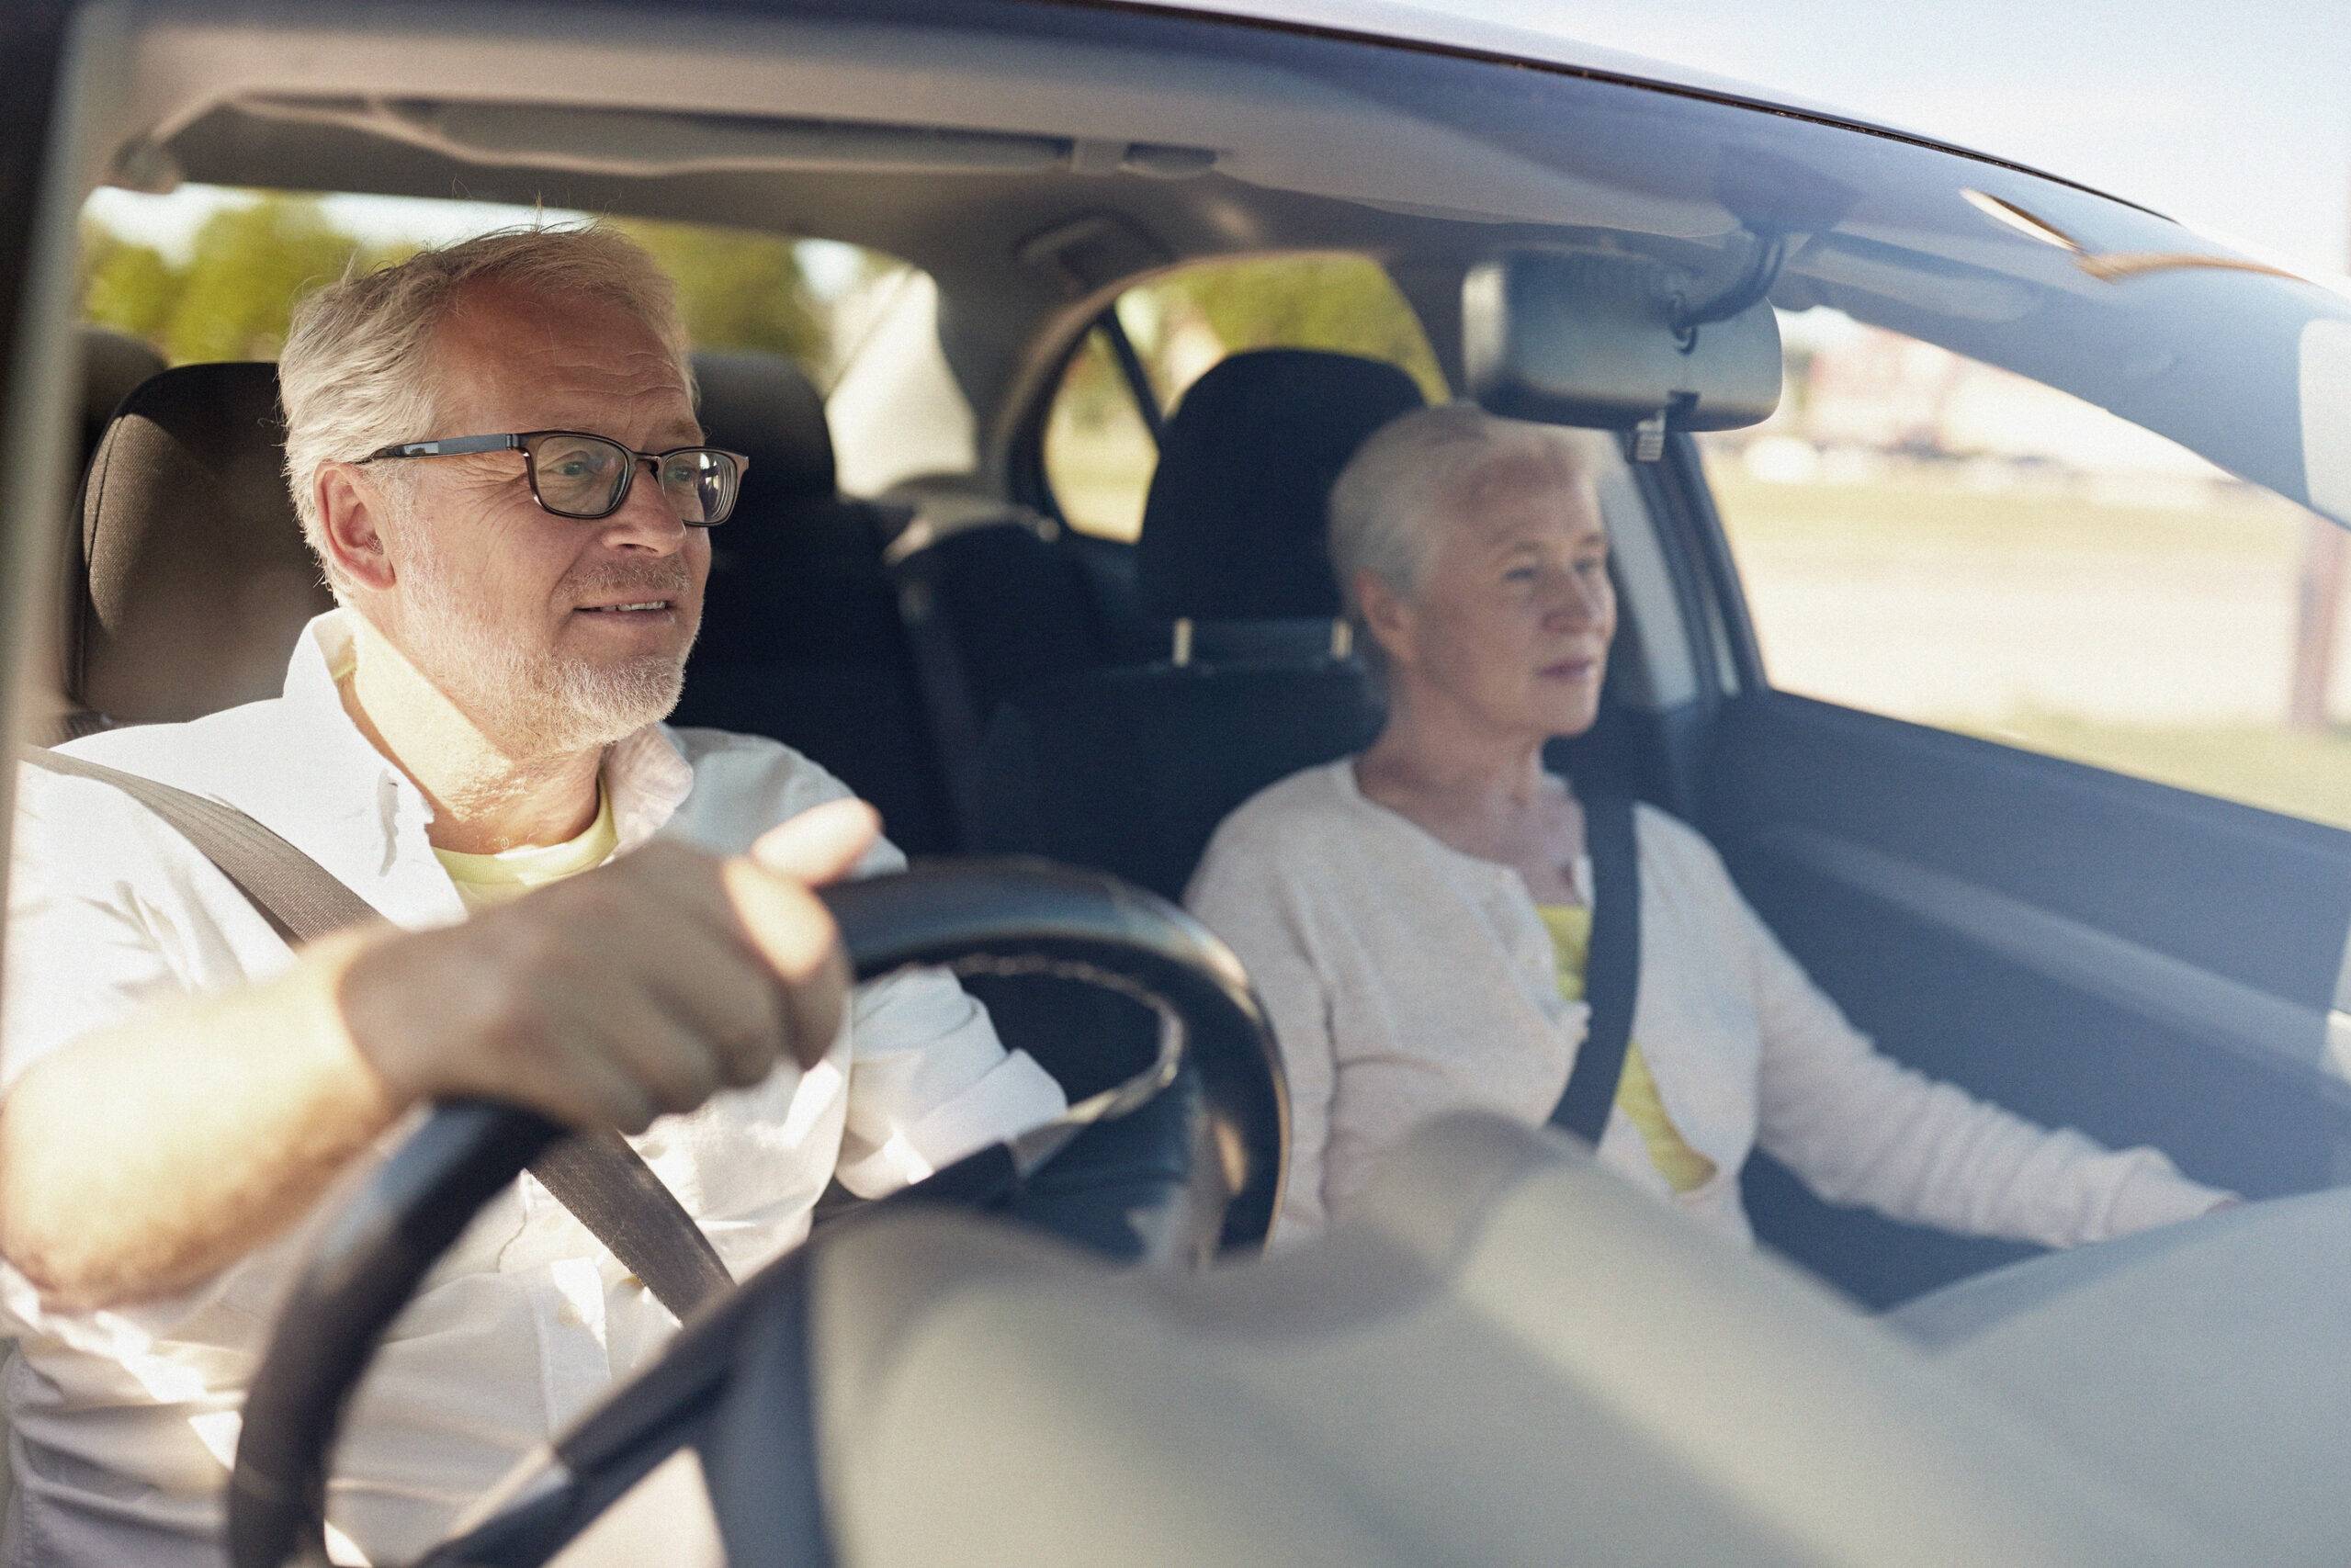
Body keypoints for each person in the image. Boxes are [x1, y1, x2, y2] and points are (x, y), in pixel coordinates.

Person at [0, 226, 1068, 1564]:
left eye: (680, 466)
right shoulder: (84, 831)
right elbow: (52, 1206)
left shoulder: (781, 814)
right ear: (358, 523)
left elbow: (1029, 1204)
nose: (659, 524)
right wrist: (402, 1014)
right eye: (572, 467)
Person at [1187, 402, 2230, 1250]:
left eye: (1588, 561)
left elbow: (1876, 1130)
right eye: (1520, 572)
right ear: (1391, 612)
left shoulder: (1659, 861)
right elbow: (1271, 1242)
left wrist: (2178, 1216)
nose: (1582, 609)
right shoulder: (1285, 867)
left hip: (1732, 1379)